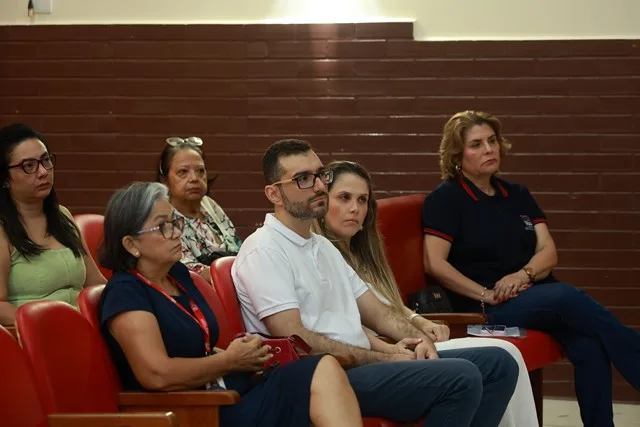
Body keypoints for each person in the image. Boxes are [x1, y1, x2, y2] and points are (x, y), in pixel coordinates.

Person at [232, 139, 519, 426]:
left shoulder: (321, 246)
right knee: (461, 378)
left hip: (361, 364)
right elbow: (297, 340)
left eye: (321, 174)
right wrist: (384, 358)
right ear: (274, 194)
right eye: (303, 179)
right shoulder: (264, 250)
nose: (319, 186)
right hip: (322, 377)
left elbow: (378, 312)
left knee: (499, 365)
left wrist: (420, 340)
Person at [422, 110, 640, 427]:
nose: (489, 149)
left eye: (492, 141)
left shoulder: (517, 194)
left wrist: (522, 275)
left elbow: (548, 252)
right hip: (488, 306)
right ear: (457, 155)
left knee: (590, 347)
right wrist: (485, 294)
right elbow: (434, 263)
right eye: (476, 145)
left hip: (535, 296)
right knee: (566, 297)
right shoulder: (446, 199)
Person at [98, 181, 363, 427]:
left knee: (323, 368)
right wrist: (229, 360)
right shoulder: (125, 292)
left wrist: (246, 355)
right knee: (320, 373)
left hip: (225, 391)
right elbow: (156, 374)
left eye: (175, 221)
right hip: (194, 410)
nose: (177, 232)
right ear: (131, 244)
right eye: (163, 226)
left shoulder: (176, 275)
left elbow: (197, 347)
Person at [313, 160, 538, 427]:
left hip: (398, 344)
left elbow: (386, 306)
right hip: (370, 355)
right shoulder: (320, 254)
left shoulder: (363, 254)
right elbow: (345, 327)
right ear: (321, 203)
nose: (355, 208)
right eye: (344, 198)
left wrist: (419, 321)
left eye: (362, 200)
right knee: (490, 360)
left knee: (504, 359)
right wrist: (397, 346)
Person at [0, 123, 106, 325]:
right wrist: (46, 325)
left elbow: (96, 284)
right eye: (28, 166)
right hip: (32, 336)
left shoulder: (62, 216)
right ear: (5, 178)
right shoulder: (2, 229)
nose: (42, 172)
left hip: (83, 328)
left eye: (45, 160)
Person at [157, 136, 242, 282]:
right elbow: (187, 272)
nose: (194, 178)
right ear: (164, 180)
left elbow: (238, 248)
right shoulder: (163, 217)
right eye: (183, 172)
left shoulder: (209, 204)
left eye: (200, 171)